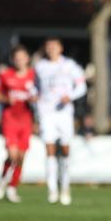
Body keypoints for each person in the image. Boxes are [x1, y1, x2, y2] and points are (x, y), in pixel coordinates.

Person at [34, 38, 87, 205]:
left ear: (60, 48)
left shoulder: (70, 65)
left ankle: (65, 186)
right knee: (49, 149)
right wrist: (34, 98)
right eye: (48, 47)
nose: (51, 49)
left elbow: (81, 87)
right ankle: (52, 189)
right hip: (46, 113)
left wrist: (69, 96)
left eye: (54, 46)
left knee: (65, 150)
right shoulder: (40, 66)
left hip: (64, 113)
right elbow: (35, 87)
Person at [0, 46, 37, 203]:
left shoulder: (34, 75)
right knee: (13, 155)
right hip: (10, 119)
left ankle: (12, 187)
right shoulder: (6, 75)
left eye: (22, 57)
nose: (20, 60)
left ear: (27, 58)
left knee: (21, 157)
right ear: (13, 60)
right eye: (16, 58)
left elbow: (39, 94)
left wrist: (35, 100)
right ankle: (3, 179)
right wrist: (5, 99)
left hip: (26, 120)